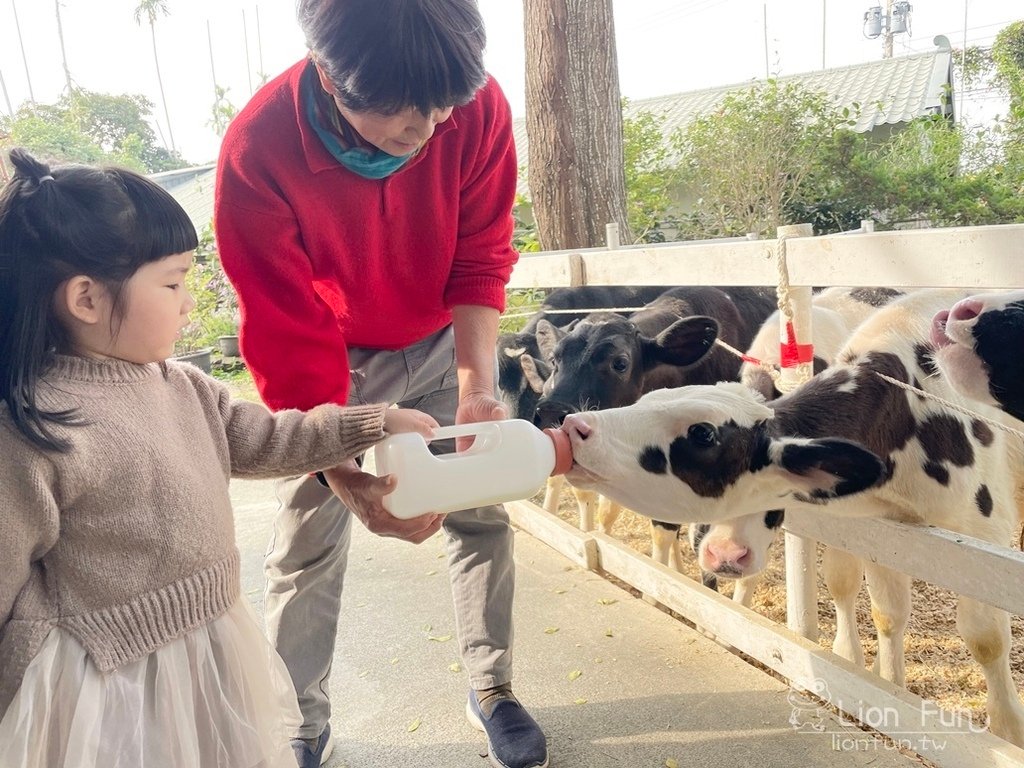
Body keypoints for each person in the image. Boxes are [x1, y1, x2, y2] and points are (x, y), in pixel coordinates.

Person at [0, 148, 438, 768]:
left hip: (207, 648)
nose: (187, 301)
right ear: (87, 299)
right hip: (102, 680)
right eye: (173, 282)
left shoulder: (184, 387)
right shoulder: (34, 425)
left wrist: (368, 423)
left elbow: (267, 439)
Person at [214, 1, 549, 767]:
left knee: (480, 512)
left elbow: (482, 252)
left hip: (441, 341)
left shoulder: (475, 104)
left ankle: (491, 686)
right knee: (307, 536)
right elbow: (282, 322)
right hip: (330, 358)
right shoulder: (257, 149)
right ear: (330, 75)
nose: (425, 128)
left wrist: (477, 384)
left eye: (441, 106)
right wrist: (340, 471)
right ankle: (296, 721)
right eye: (399, 110)